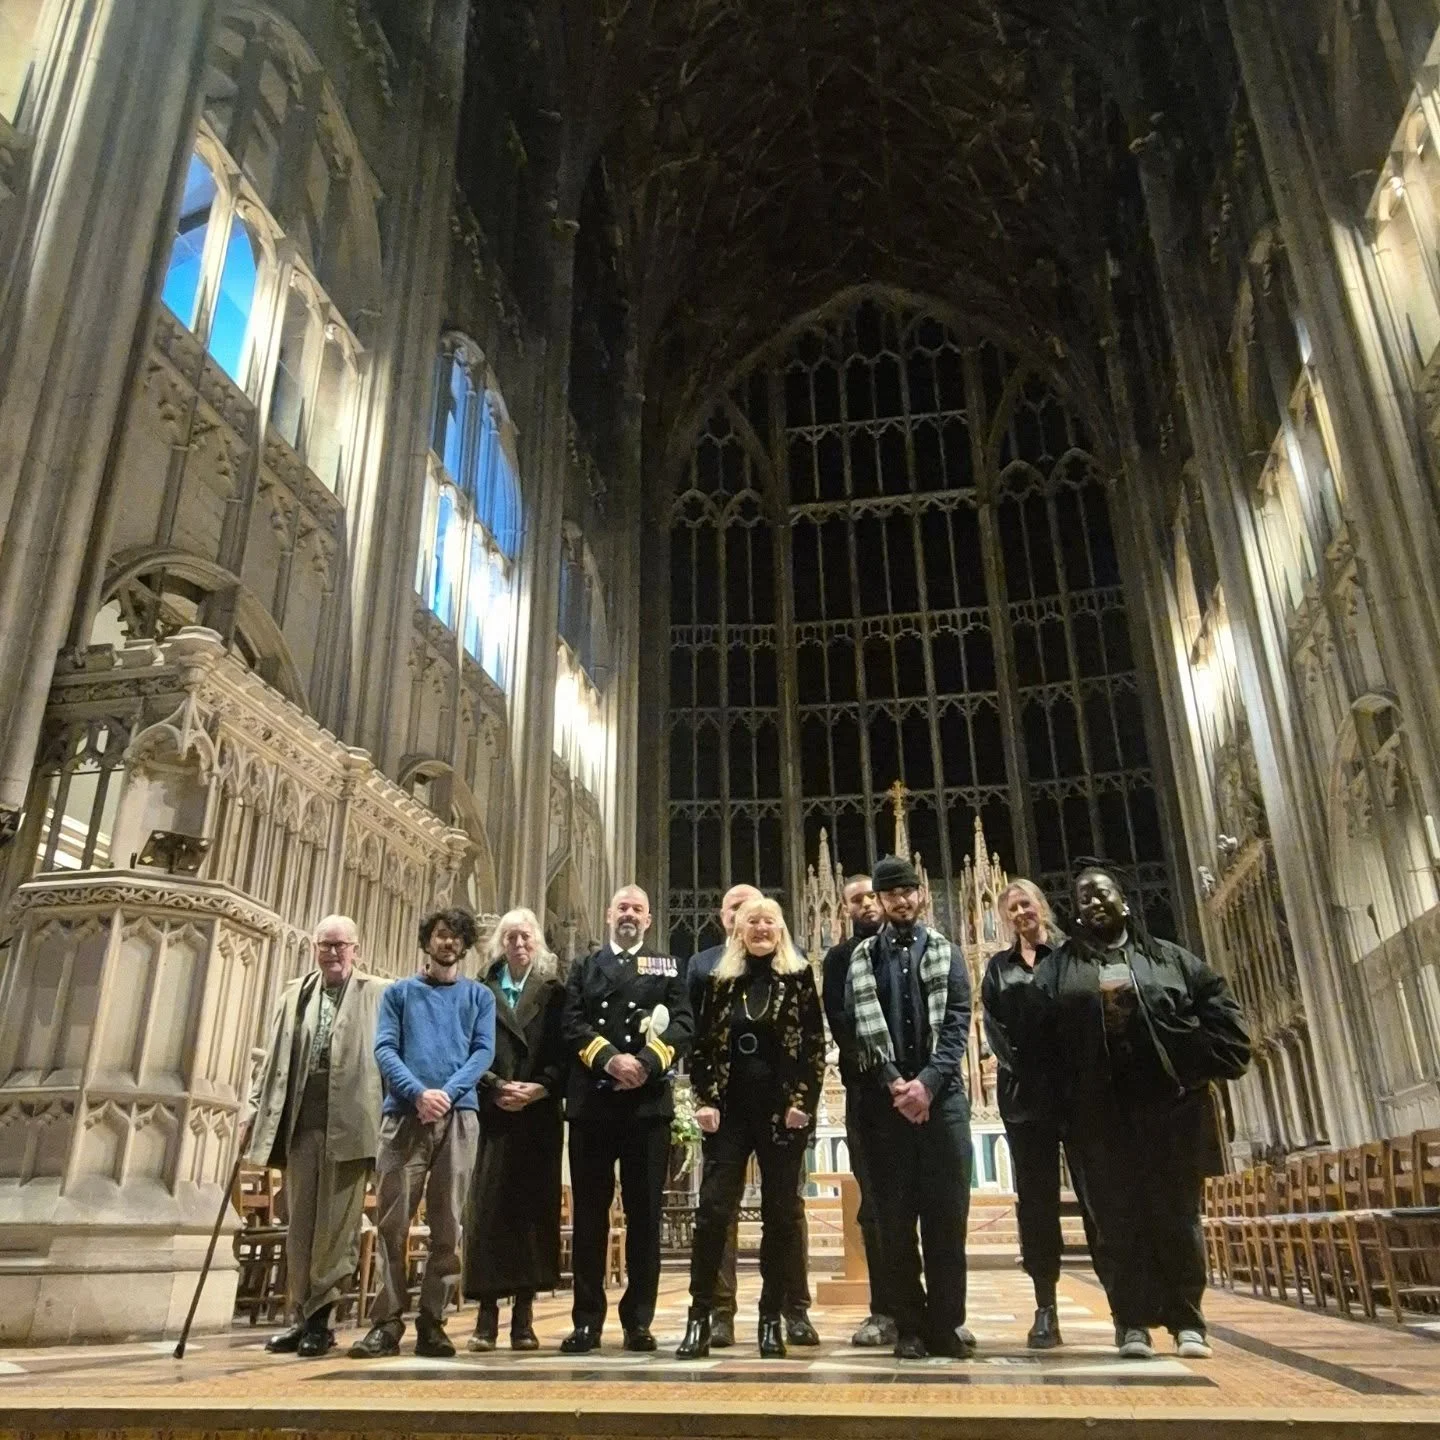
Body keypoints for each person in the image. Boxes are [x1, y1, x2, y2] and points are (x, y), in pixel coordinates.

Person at [1031, 863, 1251, 1361]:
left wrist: (1193, 1070)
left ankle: (1187, 1321)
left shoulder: (1170, 960)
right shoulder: (1059, 969)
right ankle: (1130, 1322)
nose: (1093, 903)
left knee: (1176, 1216)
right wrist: (1061, 1103)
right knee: (1114, 1220)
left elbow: (1222, 1013)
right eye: (1082, 897)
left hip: (1169, 1111)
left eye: (1102, 894)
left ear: (1124, 902)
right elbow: (1032, 1042)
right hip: (1097, 1117)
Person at [677, 897, 826, 1359]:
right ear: (738, 929)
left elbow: (815, 1046)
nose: (761, 928)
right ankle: (699, 1319)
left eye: (770, 921)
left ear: (780, 929)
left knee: (780, 1217)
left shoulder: (798, 978)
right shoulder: (720, 980)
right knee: (713, 1214)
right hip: (729, 1114)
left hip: (782, 1115)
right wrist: (703, 1100)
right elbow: (701, 1045)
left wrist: (801, 1102)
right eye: (752, 921)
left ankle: (770, 1321)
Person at [843, 854, 975, 1360]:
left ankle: (946, 1324)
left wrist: (929, 1083)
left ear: (920, 896)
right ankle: (912, 1326)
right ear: (878, 900)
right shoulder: (863, 959)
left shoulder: (947, 951)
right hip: (887, 1105)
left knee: (946, 1220)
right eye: (889, 893)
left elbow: (959, 1019)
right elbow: (861, 1028)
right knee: (895, 1223)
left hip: (942, 1103)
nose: (899, 900)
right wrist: (898, 1084)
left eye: (907, 891)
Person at [350, 908, 496, 1359]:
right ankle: (387, 1323)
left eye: (455, 937)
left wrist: (447, 1095)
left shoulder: (479, 997)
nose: (447, 943)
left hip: (458, 1117)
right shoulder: (399, 994)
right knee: (392, 1222)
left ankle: (433, 1321)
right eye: (440, 935)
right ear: (427, 941)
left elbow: (483, 1051)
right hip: (404, 1116)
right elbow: (384, 1048)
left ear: (465, 945)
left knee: (448, 1224)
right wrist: (417, 1094)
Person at [244, 915, 388, 1358]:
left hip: (351, 1123)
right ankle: (301, 1316)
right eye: (325, 945)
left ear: (356, 949)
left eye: (341, 945)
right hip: (301, 1121)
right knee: (301, 1226)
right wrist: (254, 1106)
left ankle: (322, 1321)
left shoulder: (378, 993)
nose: (333, 953)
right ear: (314, 947)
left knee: (335, 1229)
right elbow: (272, 1060)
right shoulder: (295, 994)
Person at [560, 885, 692, 1353]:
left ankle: (639, 1320)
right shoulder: (584, 966)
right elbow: (572, 1023)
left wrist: (646, 1064)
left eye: (638, 908)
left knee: (645, 1217)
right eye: (622, 907)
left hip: (646, 1107)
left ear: (649, 919)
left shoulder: (667, 966)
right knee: (591, 1217)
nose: (629, 914)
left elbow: (682, 1024)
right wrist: (611, 1060)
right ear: (608, 914)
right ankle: (587, 1322)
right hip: (593, 1105)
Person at [981, 878, 1093, 1349]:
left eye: (1026, 904)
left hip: (1081, 1096)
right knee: (1037, 1204)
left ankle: (1127, 1309)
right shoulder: (999, 967)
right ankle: (1045, 1305)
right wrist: (1025, 1071)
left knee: (1096, 1197)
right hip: (1026, 1100)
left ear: (1041, 907)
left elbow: (1090, 1017)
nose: (1020, 914)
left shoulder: (1074, 956)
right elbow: (993, 1028)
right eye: (1011, 909)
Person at [463, 909, 566, 1352]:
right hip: (493, 1113)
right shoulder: (480, 992)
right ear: (499, 944)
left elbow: (567, 1051)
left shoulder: (554, 992)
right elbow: (466, 1048)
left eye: (526, 937)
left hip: (538, 1116)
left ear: (537, 943)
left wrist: (541, 1088)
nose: (519, 944)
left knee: (530, 1216)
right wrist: (496, 1086)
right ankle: (486, 1317)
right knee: (487, 1215)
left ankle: (524, 1318)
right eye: (510, 937)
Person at [820, 873, 894, 1347]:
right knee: (874, 1206)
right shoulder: (839, 958)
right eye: (856, 899)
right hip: (867, 1090)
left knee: (926, 1205)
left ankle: (938, 1310)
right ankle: (884, 1309)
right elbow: (839, 1019)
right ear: (844, 908)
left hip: (920, 1094)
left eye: (872, 896)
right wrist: (880, 1072)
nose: (866, 904)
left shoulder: (915, 946)